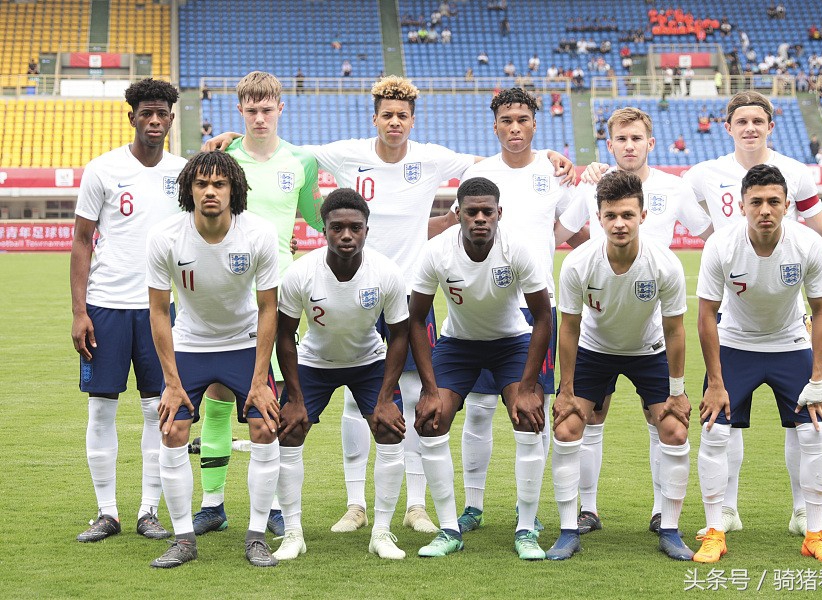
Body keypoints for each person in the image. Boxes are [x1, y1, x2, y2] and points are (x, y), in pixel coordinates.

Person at [203, 78, 574, 535]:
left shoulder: (432, 158)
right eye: (387, 115)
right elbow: (283, 150)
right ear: (374, 118)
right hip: (352, 290)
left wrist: (553, 156)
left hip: (409, 297)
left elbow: (499, 162)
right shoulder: (345, 153)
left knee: (419, 400)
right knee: (355, 407)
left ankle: (416, 505)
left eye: (402, 115)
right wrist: (232, 139)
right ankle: (356, 504)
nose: (394, 122)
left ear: (412, 120)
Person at [683, 91, 822, 539]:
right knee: (723, 425)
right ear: (727, 127)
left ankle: (806, 514)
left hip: (787, 324)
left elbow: (821, 233)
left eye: (757, 121)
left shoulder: (796, 174)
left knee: (807, 426)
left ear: (770, 126)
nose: (749, 128)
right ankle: (724, 512)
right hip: (734, 323)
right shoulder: (704, 174)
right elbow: (658, 193)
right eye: (740, 120)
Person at [429, 88, 579, 538]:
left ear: (535, 123)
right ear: (494, 125)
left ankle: (525, 509)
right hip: (478, 311)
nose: (515, 127)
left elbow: (569, 229)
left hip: (536, 309)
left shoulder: (555, 174)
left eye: (523, 119)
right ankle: (472, 505)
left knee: (531, 411)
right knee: (475, 411)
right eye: (506, 120)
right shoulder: (479, 172)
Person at [556, 107, 711, 536]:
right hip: (600, 323)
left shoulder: (674, 189)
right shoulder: (592, 187)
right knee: (587, 420)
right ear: (610, 144)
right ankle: (586, 511)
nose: (629, 146)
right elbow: (558, 234)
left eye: (636, 139)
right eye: (621, 139)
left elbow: (713, 238)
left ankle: (664, 514)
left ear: (650, 143)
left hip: (652, 324)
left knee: (663, 422)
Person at [191, 71, 321, 539]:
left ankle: (275, 508)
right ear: (240, 111)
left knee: (278, 400)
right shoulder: (224, 159)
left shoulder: (301, 162)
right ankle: (212, 504)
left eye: (267, 109)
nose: (260, 117)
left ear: (281, 108)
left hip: (282, 297)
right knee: (219, 397)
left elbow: (316, 216)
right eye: (251, 110)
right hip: (229, 292)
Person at [693, 164, 822, 565]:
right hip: (735, 345)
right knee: (713, 432)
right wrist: (714, 381)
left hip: (790, 343)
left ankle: (814, 533)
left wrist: (818, 378)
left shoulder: (808, 244)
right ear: (741, 205)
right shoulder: (721, 245)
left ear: (787, 206)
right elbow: (706, 315)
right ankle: (715, 532)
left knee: (813, 434)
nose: (765, 210)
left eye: (774, 201)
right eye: (756, 202)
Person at [145, 151, 281, 568]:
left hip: (242, 343)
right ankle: (184, 539)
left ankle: (256, 535)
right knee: (171, 432)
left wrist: (260, 380)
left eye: (219, 184)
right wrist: (170, 382)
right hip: (191, 344)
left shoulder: (258, 233)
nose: (210, 191)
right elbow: (157, 310)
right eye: (201, 183)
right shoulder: (165, 236)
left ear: (233, 190)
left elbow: (268, 309)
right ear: (188, 188)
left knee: (265, 428)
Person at [549, 169, 693, 561]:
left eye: (627, 215)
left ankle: (670, 527)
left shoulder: (664, 264)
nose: (619, 223)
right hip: (595, 350)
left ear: (643, 216)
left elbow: (676, 330)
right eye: (611, 215)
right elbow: (569, 327)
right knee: (566, 428)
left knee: (675, 431)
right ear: (599, 217)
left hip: (648, 350)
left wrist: (677, 392)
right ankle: (568, 528)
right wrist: (565, 389)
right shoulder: (579, 263)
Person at [410, 177, 552, 559]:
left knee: (527, 418)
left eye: (487, 211)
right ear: (457, 214)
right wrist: (427, 388)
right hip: (458, 345)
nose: (480, 219)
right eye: (471, 212)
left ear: (499, 214)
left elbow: (542, 317)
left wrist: (527, 386)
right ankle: (449, 529)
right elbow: (414, 319)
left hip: (511, 343)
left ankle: (526, 528)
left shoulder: (517, 249)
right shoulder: (436, 252)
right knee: (431, 420)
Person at [71, 78, 184, 543]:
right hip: (107, 306)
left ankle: (147, 510)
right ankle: (107, 511)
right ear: (132, 116)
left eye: (162, 114)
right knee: (101, 411)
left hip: (161, 309)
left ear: (172, 119)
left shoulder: (184, 173)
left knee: (158, 410)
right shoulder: (102, 169)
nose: (154, 121)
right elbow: (81, 240)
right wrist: (79, 311)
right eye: (146, 113)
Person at [273, 189, 410, 561]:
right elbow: (284, 334)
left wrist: (385, 398)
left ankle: (381, 532)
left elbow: (400, 334)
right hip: (315, 363)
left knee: (389, 430)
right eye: (337, 228)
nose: (346, 235)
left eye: (355, 227)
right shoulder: (301, 272)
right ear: (324, 229)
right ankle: (293, 533)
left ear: (367, 229)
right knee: (289, 431)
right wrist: (296, 398)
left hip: (368, 362)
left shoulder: (386, 272)